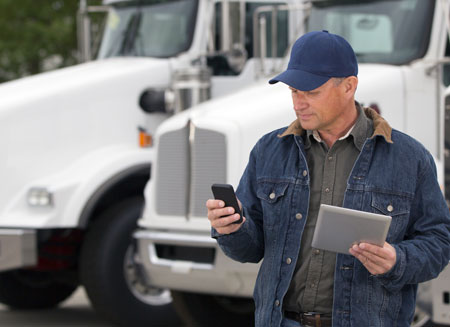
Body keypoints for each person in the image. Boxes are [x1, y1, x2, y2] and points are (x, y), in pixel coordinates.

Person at [206, 30, 450, 327]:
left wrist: (397, 260)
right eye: (294, 91)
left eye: (311, 92)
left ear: (349, 87)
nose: (299, 103)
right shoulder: (268, 151)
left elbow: (439, 242)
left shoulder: (410, 159)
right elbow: (251, 250)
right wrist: (233, 228)